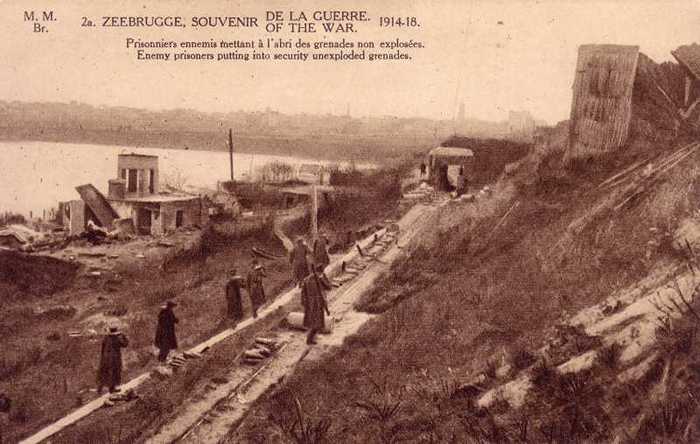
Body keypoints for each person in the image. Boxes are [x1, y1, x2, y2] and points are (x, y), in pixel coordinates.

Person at [301, 264, 332, 345]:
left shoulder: (306, 280)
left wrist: (304, 304)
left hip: (311, 305)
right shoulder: (318, 279)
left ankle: (311, 338)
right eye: (321, 273)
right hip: (317, 304)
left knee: (314, 322)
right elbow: (329, 287)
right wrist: (323, 279)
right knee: (316, 323)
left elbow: (303, 294)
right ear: (320, 272)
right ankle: (309, 339)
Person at [97, 326, 129, 394]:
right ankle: (111, 389)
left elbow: (102, 348)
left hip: (105, 358)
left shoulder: (106, 338)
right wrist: (123, 336)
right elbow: (125, 344)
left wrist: (103, 357)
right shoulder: (116, 338)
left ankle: (100, 388)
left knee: (104, 372)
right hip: (114, 358)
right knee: (114, 372)